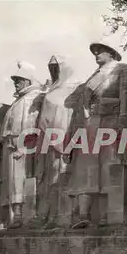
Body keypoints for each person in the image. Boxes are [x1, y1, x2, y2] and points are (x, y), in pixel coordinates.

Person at [66, 41, 127, 229]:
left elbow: (126, 98)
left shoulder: (123, 70)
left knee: (108, 167)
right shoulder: (91, 77)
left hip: (111, 122)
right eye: (94, 51)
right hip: (91, 124)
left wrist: (122, 120)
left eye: (100, 51)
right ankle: (84, 215)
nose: (96, 53)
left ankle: (106, 214)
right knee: (86, 170)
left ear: (111, 53)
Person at [27, 55, 81, 229]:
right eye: (51, 68)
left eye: (56, 67)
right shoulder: (49, 91)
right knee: (46, 180)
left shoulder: (73, 88)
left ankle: (63, 216)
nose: (54, 71)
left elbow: (75, 115)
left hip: (62, 138)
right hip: (45, 141)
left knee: (61, 177)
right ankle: (47, 215)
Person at [0, 61, 45, 229]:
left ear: (28, 80)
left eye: (19, 79)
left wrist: (24, 146)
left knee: (20, 180)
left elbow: (35, 123)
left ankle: (21, 216)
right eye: (15, 80)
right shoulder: (18, 101)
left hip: (24, 143)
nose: (16, 83)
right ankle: (11, 217)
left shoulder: (35, 97)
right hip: (10, 144)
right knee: (10, 181)